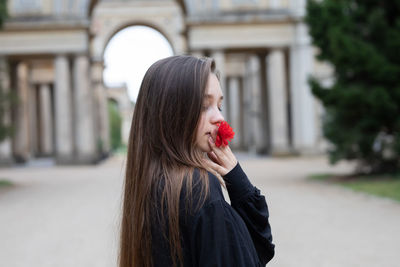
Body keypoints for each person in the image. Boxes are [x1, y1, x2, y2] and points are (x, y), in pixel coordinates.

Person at [119, 55, 275, 267]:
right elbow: (257, 252)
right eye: (204, 106)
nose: (219, 118)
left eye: (219, 106)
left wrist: (236, 180)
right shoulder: (199, 187)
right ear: (170, 112)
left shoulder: (147, 180)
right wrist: (240, 183)